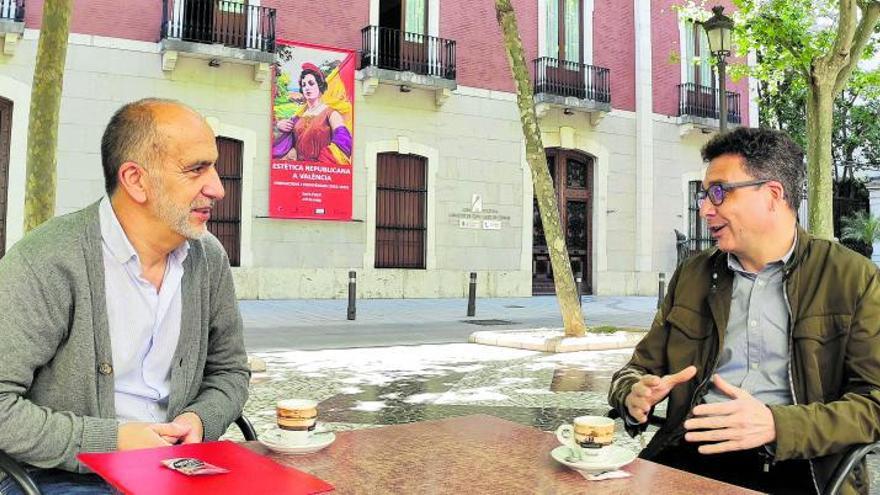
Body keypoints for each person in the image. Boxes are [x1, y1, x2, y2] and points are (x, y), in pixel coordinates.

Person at [608, 127, 880, 495]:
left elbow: (873, 404)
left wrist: (777, 425)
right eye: (705, 195)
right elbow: (636, 369)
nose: (705, 208)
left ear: (772, 195)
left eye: (718, 193)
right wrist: (632, 393)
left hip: (803, 466)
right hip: (692, 453)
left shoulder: (853, 278)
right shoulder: (693, 274)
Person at [0, 99, 250, 494]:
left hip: (182, 470)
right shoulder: (46, 261)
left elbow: (230, 372)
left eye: (214, 166)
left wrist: (200, 420)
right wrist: (113, 440)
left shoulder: (208, 257)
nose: (217, 187)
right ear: (135, 180)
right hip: (62, 477)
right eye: (196, 169)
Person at [272, 63, 352, 163]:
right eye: (303, 85)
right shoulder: (298, 117)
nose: (307, 88)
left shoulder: (331, 113)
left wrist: (323, 163)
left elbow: (344, 141)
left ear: (319, 85)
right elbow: (279, 145)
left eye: (311, 83)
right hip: (298, 172)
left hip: (322, 172)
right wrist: (279, 126)